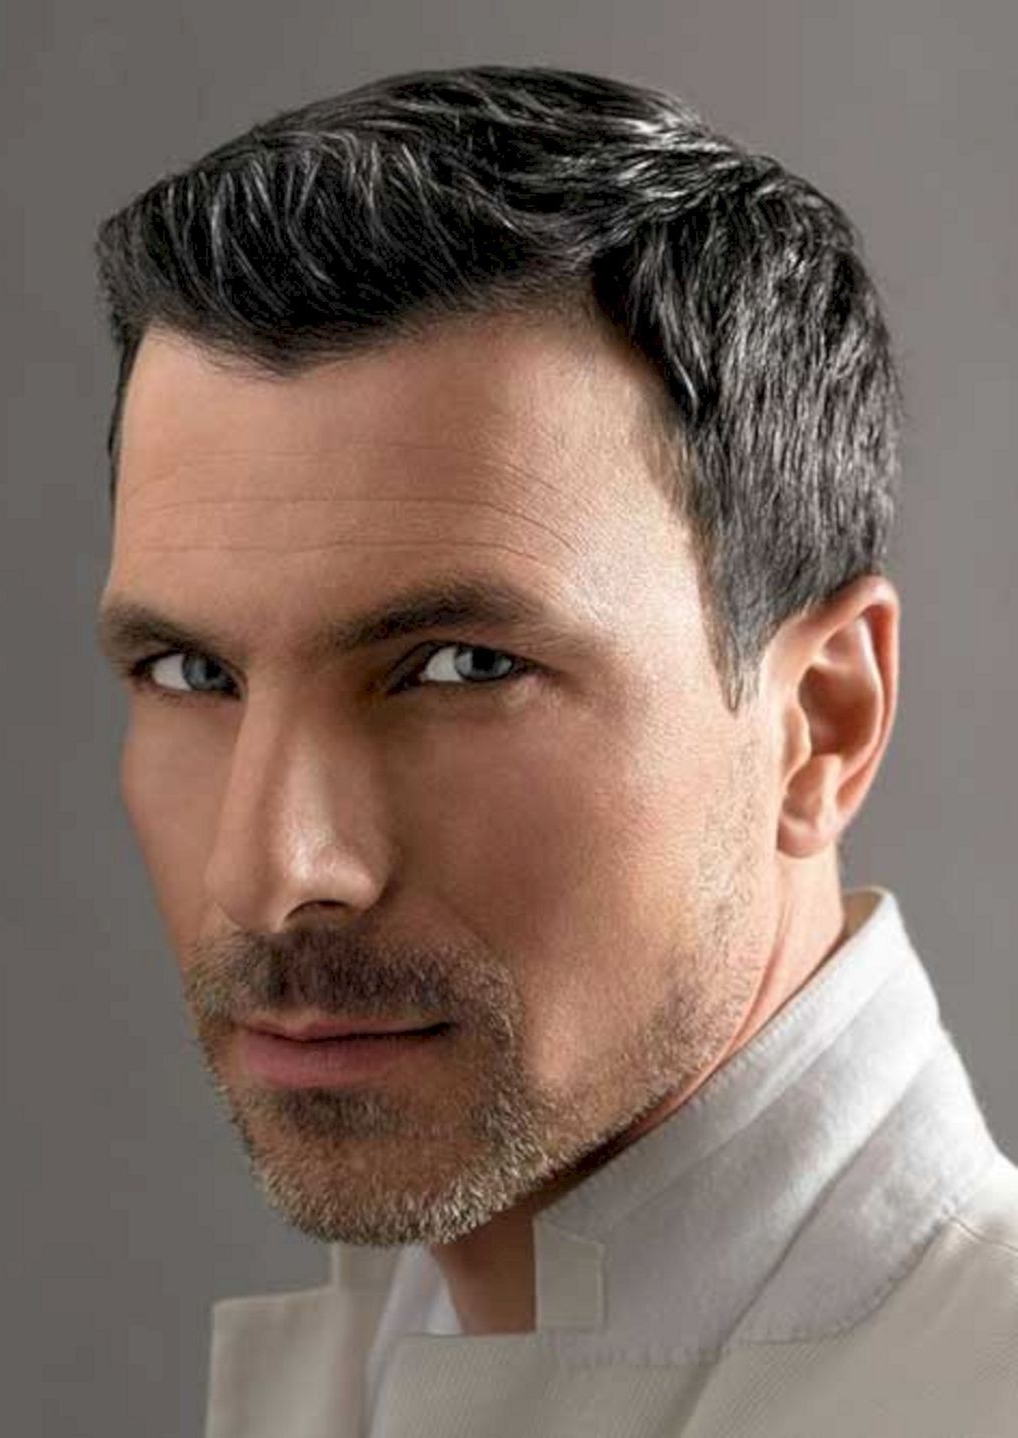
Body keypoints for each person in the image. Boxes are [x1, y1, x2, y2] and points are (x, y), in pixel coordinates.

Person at [92, 65, 1018, 1438]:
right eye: (194, 673)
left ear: (822, 722)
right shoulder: (380, 1358)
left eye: (462, 667)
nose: (273, 871)